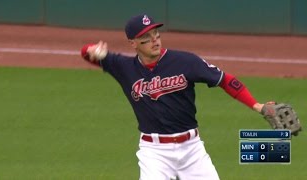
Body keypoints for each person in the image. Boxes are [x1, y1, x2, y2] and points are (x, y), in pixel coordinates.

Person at [81, 14, 266, 180]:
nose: (154, 40)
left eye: (156, 34)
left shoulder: (185, 62)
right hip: (154, 152)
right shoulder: (124, 67)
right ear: (133, 43)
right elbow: (85, 52)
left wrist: (257, 105)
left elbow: (225, 80)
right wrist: (94, 50)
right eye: (146, 37)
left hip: (192, 149)